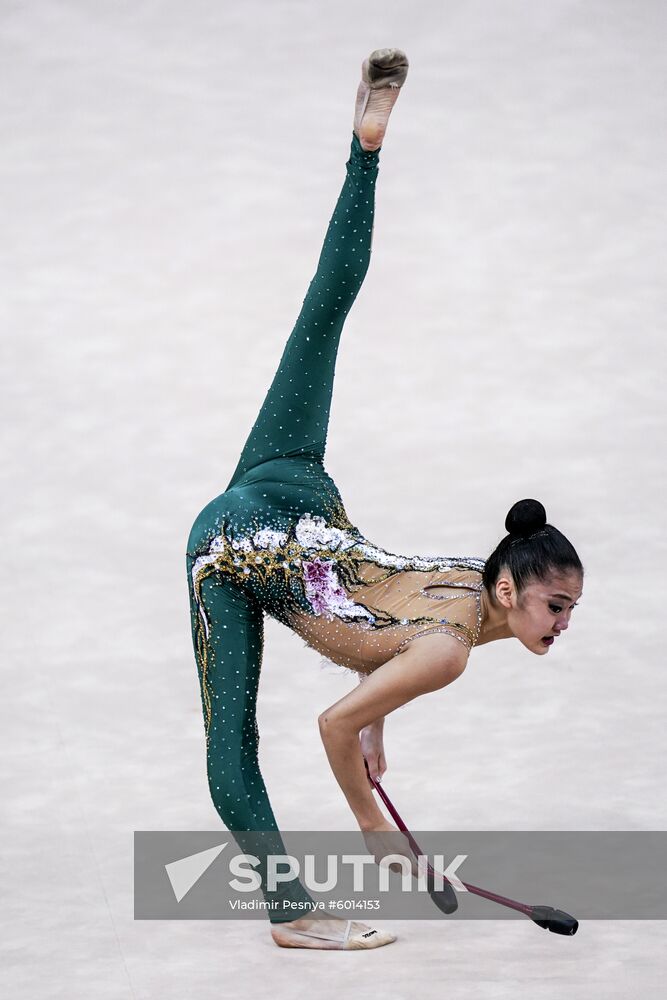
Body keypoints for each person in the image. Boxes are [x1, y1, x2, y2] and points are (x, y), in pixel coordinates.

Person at [185, 48, 584, 951]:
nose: (562, 623)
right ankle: (294, 917)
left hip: (290, 481)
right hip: (237, 544)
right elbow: (333, 722)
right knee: (232, 750)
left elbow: (379, 617)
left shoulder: (463, 580)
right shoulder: (450, 653)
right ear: (514, 592)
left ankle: (367, 141)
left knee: (322, 313)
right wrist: (371, 824)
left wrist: (375, 711)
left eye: (570, 609)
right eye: (556, 606)